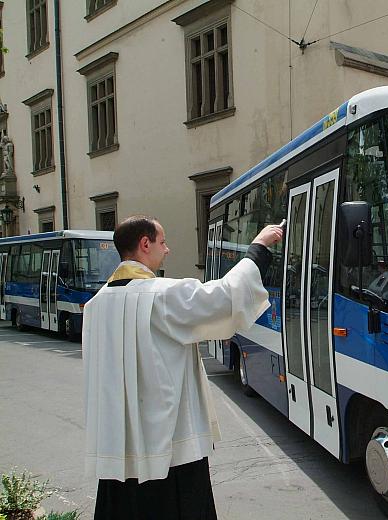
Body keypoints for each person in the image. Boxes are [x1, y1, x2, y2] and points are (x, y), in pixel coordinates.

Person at [83, 215, 283, 520]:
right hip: (171, 452)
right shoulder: (161, 295)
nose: (168, 250)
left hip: (120, 449)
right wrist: (259, 247)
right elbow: (226, 297)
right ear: (145, 244)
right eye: (163, 242)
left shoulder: (96, 306)